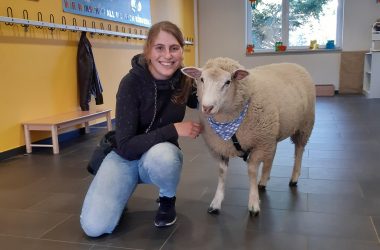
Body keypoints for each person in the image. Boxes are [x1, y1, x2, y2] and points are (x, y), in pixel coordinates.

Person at [80, 21, 201, 237]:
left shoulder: (184, 81)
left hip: (157, 157)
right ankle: (122, 188)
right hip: (125, 157)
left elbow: (205, 100)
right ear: (148, 51)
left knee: (164, 156)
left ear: (182, 51)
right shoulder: (131, 83)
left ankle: (166, 199)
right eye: (159, 48)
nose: (167, 55)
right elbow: (126, 146)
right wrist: (173, 129)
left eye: (174, 48)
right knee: (94, 227)